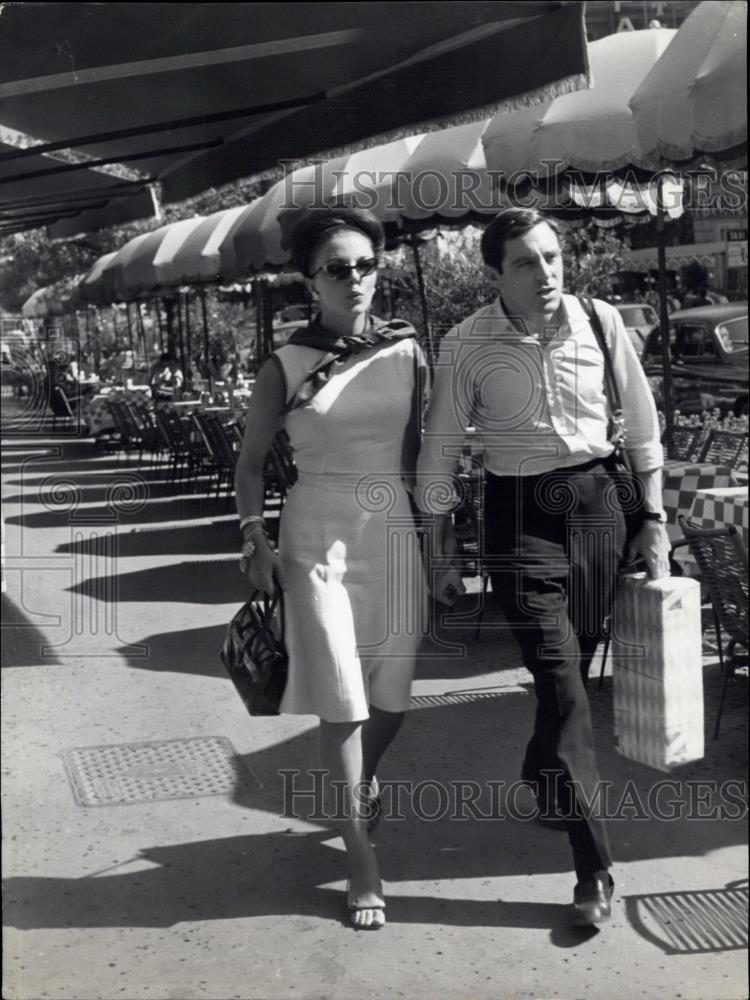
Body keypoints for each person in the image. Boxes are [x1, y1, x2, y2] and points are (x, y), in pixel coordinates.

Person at [416, 207, 671, 927]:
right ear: (493, 274)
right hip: (519, 517)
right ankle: (593, 870)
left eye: (553, 257)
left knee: (572, 673)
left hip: (599, 506)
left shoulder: (600, 321)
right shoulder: (466, 344)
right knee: (562, 681)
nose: (547, 273)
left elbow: (643, 425)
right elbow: (438, 455)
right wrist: (442, 552)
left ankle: (541, 771)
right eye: (527, 262)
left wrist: (651, 520)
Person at [234, 206, 427, 930]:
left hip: (393, 529)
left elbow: (414, 457)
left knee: (392, 698)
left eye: (367, 266)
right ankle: (360, 860)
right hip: (315, 537)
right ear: (310, 282)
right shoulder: (284, 363)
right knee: (341, 698)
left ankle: (359, 785)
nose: (356, 280)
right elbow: (249, 467)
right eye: (338, 270)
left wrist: (436, 547)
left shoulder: (407, 351)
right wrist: (256, 537)